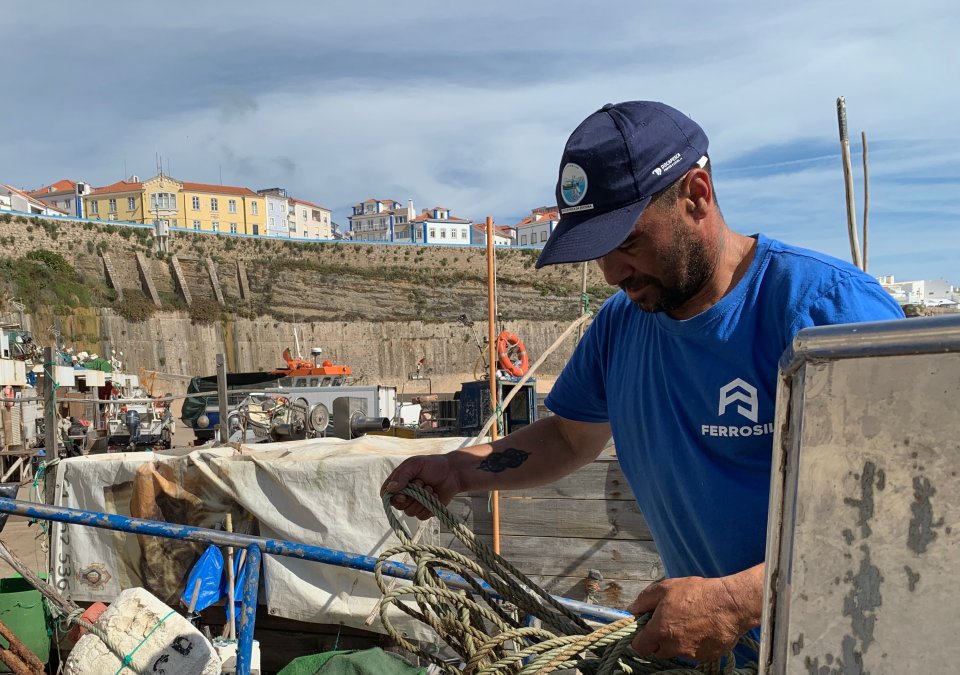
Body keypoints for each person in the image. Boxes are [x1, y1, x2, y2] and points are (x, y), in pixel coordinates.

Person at [381, 101, 904, 663]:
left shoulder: (829, 311)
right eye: (597, 252)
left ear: (696, 195)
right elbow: (566, 438)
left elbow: (905, 514)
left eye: (627, 242)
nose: (612, 273)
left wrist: (734, 600)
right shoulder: (622, 323)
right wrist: (458, 470)